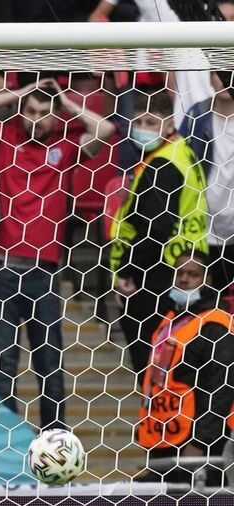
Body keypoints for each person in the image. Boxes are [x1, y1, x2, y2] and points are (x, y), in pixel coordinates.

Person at [0, 80, 116, 430]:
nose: (37, 119)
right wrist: (20, 93)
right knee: (3, 366)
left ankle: (55, 443)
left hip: (44, 273)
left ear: (56, 116)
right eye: (31, 112)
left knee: (50, 366)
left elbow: (106, 129)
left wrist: (68, 104)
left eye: (45, 113)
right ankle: (6, 446)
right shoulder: (4, 138)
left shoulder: (66, 146)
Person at [110, 89, 209, 383]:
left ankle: (157, 425)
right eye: (138, 122)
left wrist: (128, 271)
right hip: (184, 266)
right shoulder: (181, 152)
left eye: (151, 123)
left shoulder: (162, 165)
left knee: (153, 368)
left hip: (156, 274)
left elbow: (156, 228)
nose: (142, 129)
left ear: (169, 125)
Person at [136, 253, 234, 487]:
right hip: (164, 436)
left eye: (192, 274)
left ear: (207, 280)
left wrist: (200, 443)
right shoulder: (170, 320)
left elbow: (220, 389)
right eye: (179, 273)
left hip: (197, 444)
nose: (184, 279)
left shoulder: (216, 325)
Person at [180, 70, 234, 300]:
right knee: (203, 301)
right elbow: (178, 160)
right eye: (218, 74)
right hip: (200, 225)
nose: (223, 81)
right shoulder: (197, 115)